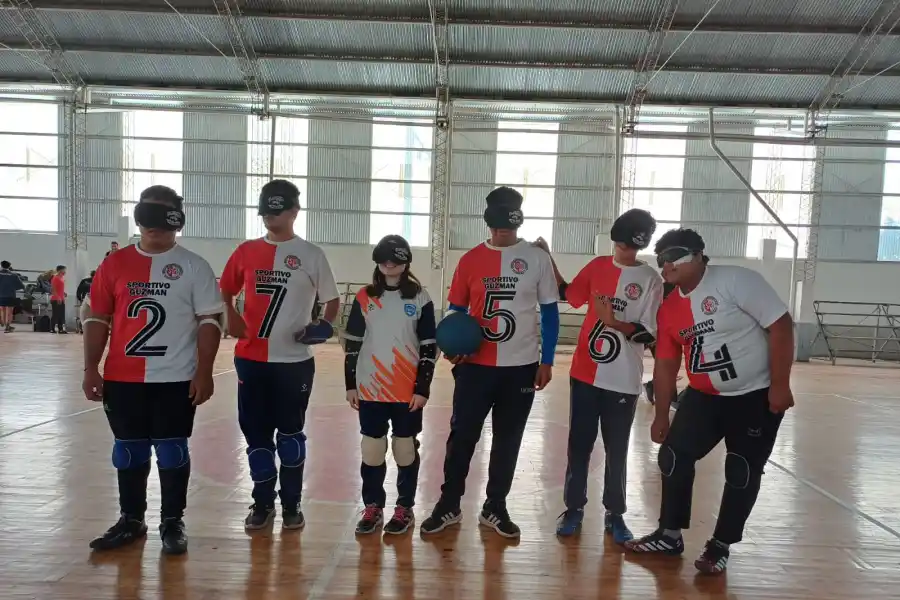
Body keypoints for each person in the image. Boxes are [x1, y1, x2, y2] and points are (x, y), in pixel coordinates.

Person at [624, 228, 795, 575]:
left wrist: (780, 384)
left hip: (754, 396)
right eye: (661, 259)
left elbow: (781, 326)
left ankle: (721, 544)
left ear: (700, 255)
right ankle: (669, 534)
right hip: (704, 398)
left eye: (674, 255)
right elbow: (667, 363)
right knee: (673, 456)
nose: (666, 264)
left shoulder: (735, 281)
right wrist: (660, 415)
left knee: (741, 469)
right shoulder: (670, 308)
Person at [82, 185, 224, 555]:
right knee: (128, 452)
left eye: (165, 216)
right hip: (123, 378)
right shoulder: (114, 265)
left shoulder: (194, 266)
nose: (156, 225)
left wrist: (204, 371)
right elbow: (97, 317)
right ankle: (131, 519)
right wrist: (90, 369)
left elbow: (210, 321)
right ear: (138, 217)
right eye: (148, 215)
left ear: (179, 219)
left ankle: (172, 521)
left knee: (173, 451)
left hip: (176, 378)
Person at [420, 186, 560, 539]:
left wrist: (547, 360)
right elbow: (456, 309)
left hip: (522, 367)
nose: (503, 235)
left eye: (509, 228)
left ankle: (495, 505)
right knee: (462, 435)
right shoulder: (470, 260)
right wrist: (453, 341)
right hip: (476, 367)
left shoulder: (537, 259)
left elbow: (549, 312)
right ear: (488, 225)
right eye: (498, 228)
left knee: (508, 439)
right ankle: (449, 503)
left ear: (518, 223)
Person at [219, 179, 340, 531]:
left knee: (290, 436)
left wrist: (323, 325)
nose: (271, 218)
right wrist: (231, 313)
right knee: (257, 437)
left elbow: (332, 299)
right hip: (252, 359)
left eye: (278, 211)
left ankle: (291, 503)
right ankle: (261, 502)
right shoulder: (245, 251)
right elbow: (223, 291)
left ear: (294, 212)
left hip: (294, 362)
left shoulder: (312, 254)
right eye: (266, 212)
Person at [535, 209, 664, 542]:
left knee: (617, 449)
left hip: (623, 379)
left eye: (634, 243)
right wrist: (547, 256)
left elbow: (650, 334)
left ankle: (615, 513)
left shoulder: (650, 280)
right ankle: (574, 507)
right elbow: (568, 294)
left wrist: (615, 323)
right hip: (584, 376)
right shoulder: (596, 267)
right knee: (579, 445)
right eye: (625, 242)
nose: (627, 249)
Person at [343, 235, 437, 535]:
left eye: (395, 258)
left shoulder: (420, 298)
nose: (389, 263)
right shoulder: (364, 297)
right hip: (370, 387)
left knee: (405, 449)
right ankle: (372, 506)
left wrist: (423, 388)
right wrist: (350, 384)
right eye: (384, 258)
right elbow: (353, 344)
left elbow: (429, 346)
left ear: (406, 261)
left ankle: (404, 507)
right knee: (372, 449)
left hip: (406, 390)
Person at [0, 260, 24, 332]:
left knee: (2, 308)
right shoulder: (14, 275)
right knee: (10, 311)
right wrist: (13, 288)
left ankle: (2, 320)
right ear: (9, 266)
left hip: (1, 295)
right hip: (11, 295)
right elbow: (21, 286)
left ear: (1, 266)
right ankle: (7, 326)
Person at [50, 264, 67, 333]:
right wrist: (58, 297)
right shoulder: (55, 278)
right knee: (55, 314)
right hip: (55, 299)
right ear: (60, 270)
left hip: (62, 298)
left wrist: (64, 293)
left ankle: (60, 329)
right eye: (64, 270)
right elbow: (53, 289)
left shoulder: (62, 278)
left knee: (61, 314)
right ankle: (52, 328)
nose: (65, 271)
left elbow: (60, 288)